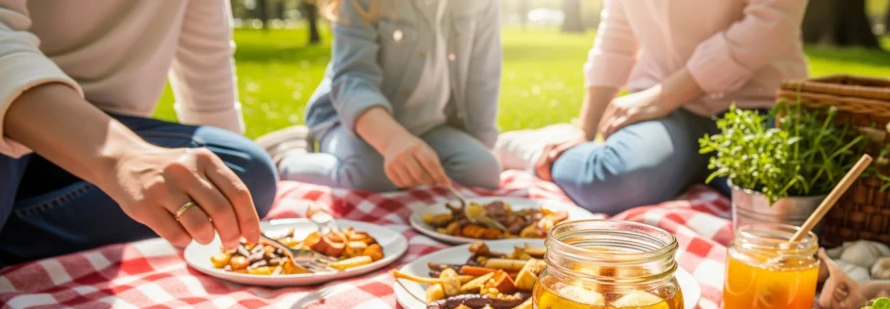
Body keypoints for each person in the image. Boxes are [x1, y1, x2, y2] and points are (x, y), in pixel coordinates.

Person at [0, 1, 277, 267]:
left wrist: (222, 191)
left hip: (108, 138)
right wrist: (121, 158)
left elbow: (208, 75)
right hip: (15, 112)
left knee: (246, 171)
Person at [534, 0, 809, 215]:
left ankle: (684, 174)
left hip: (755, 106)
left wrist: (662, 96)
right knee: (611, 181)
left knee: (790, 202)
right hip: (668, 115)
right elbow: (617, 35)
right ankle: (534, 149)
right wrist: (584, 129)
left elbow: (771, 24)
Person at [279, 0, 502, 192]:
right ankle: (287, 156)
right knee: (373, 176)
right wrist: (392, 140)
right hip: (355, 123)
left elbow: (483, 76)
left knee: (483, 172)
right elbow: (353, 79)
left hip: (429, 126)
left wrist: (480, 142)